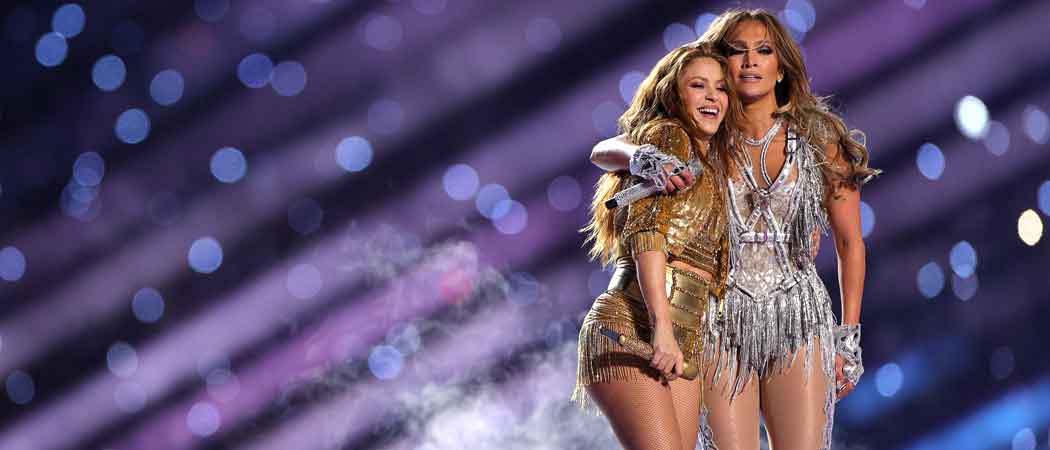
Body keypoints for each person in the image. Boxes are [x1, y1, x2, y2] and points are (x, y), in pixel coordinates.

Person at [588, 9, 879, 450]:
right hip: (718, 319)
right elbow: (608, 148)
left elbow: (849, 242)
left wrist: (849, 335)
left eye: (763, 51)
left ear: (781, 66)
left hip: (797, 316)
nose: (749, 62)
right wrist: (643, 158)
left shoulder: (818, 137)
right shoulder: (700, 132)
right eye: (737, 52)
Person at [572, 42, 745, 450]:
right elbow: (647, 237)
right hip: (635, 326)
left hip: (682, 341)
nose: (712, 97)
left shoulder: (714, 166)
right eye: (698, 85)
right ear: (674, 93)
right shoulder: (670, 136)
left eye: (721, 89)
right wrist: (663, 329)